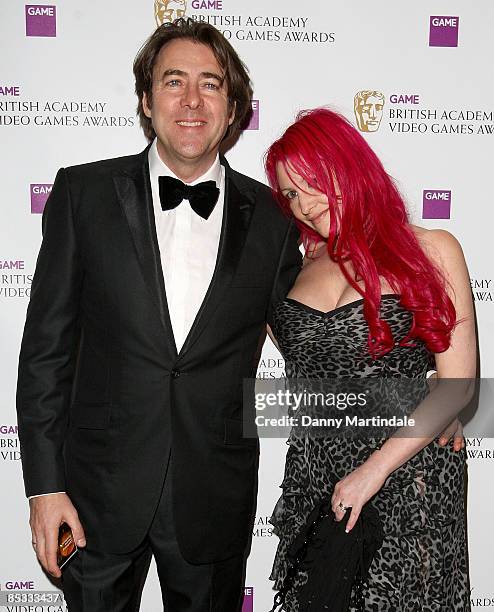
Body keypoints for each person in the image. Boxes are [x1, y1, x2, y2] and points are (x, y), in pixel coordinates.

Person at [16, 18, 302, 612]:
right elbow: (45, 354)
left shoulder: (275, 219)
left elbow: (313, 338)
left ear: (233, 109)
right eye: (174, 82)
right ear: (147, 102)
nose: (192, 101)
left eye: (211, 84)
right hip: (93, 498)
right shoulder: (83, 195)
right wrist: (45, 488)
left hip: (213, 498)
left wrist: (420, 403)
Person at [264, 108, 474, 610]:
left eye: (314, 181)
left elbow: (458, 386)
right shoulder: (290, 267)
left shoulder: (432, 249)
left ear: (350, 166)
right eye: (290, 193)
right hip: (317, 479)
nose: (306, 204)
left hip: (409, 479)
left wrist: (373, 470)